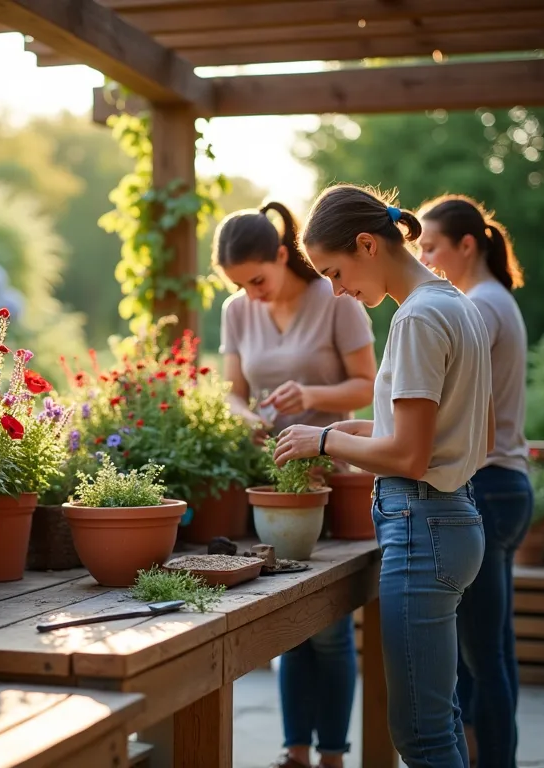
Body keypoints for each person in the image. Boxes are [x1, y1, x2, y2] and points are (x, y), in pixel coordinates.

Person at [272, 184, 494, 768]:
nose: (339, 291)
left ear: (367, 244)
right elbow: (470, 434)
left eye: (335, 272)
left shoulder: (417, 320)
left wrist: (325, 439)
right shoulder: (458, 305)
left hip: (422, 525)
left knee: (417, 734)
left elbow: (412, 459)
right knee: (437, 719)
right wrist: (364, 428)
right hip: (453, 517)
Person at [214, 201, 377, 768]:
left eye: (258, 279)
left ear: (283, 256)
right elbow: (232, 391)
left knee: (329, 627)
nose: (252, 295)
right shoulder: (238, 311)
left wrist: (309, 398)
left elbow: (367, 384)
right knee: (288, 625)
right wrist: (246, 416)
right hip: (274, 479)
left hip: (334, 475)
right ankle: (296, 753)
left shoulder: (336, 299)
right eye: (240, 285)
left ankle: (331, 754)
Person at [419, 194, 532, 768]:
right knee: (494, 652)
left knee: (479, 659)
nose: (425, 258)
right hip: (509, 485)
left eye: (433, 246)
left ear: (467, 245)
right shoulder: (495, 301)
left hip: (487, 487)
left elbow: (452, 406)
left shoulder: (478, 307)